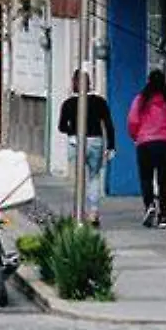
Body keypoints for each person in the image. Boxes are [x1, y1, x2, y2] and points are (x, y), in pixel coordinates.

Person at [57, 70, 116, 227]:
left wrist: (72, 131)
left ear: (74, 84)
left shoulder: (68, 104)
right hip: (96, 141)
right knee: (94, 177)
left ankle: (78, 211)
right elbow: (108, 124)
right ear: (89, 83)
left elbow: (61, 126)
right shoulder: (99, 102)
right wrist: (111, 145)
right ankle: (94, 212)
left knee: (79, 178)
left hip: (76, 142)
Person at [127, 70, 166, 228]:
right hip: (165, 142)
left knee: (146, 177)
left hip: (145, 142)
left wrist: (136, 136)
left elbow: (132, 120)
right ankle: (164, 216)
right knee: (163, 180)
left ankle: (150, 205)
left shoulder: (141, 99)